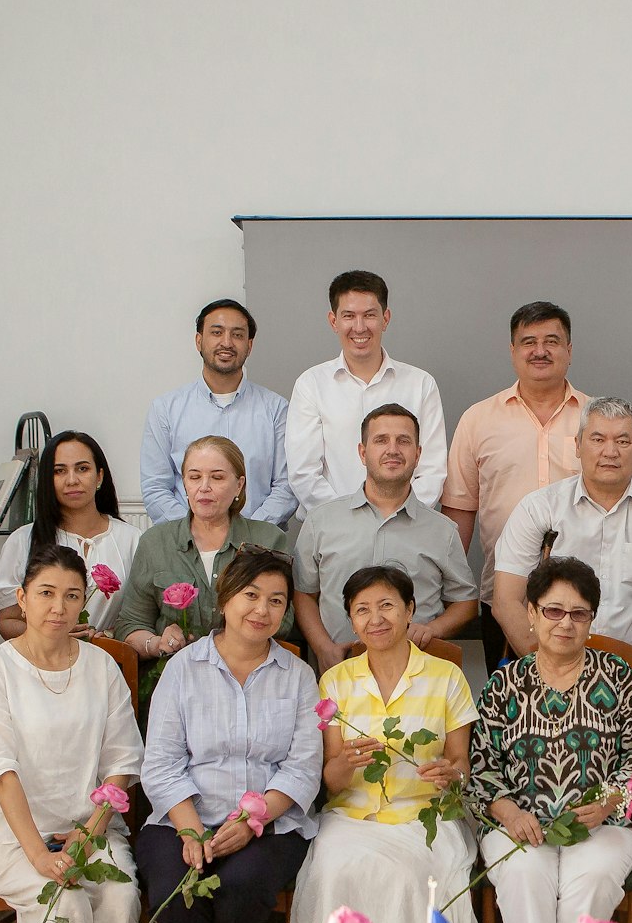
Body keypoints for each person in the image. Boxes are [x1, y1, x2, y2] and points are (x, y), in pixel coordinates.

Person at [469, 557, 632, 923]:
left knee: (590, 878)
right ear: (532, 614)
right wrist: (510, 814)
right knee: (522, 874)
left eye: (578, 613)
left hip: (604, 823)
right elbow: (480, 766)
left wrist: (611, 799)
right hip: (518, 823)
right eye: (553, 611)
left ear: (591, 619)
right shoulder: (504, 684)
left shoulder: (618, 677)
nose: (565, 623)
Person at [134, 547, 321, 923]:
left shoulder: (297, 675)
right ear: (225, 599)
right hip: (183, 817)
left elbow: (303, 767)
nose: (262, 610)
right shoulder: (183, 668)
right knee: (173, 892)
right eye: (251, 595)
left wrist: (251, 821)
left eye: (276, 600)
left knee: (242, 887)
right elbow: (161, 764)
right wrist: (192, 829)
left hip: (271, 824)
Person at [292, 565, 484, 923]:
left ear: (410, 609)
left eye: (386, 606)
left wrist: (451, 775)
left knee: (409, 873)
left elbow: (460, 762)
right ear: (352, 620)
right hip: (352, 815)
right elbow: (331, 780)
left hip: (424, 815)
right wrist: (346, 764)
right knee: (333, 868)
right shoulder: (335, 682)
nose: (375, 619)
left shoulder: (446, 676)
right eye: (362, 610)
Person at [0, 547, 143, 923]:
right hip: (12, 837)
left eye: (72, 595)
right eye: (46, 593)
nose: (58, 607)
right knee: (63, 902)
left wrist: (90, 830)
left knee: (120, 900)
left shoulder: (101, 666)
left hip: (90, 828)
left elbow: (122, 761)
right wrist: (39, 856)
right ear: (22, 598)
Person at [494, 397, 632, 690]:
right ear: (577, 446)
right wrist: (549, 679)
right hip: (549, 686)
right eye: (597, 439)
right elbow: (505, 601)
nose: (610, 452)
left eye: (623, 441)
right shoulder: (540, 508)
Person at [443, 301, 593, 667]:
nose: (540, 351)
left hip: (588, 598)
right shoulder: (478, 419)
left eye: (552, 341)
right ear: (513, 351)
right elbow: (460, 509)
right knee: (513, 713)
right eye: (528, 342)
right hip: (505, 599)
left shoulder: (599, 419)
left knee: (586, 709)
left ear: (569, 351)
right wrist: (451, 594)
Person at [292, 404, 478, 674]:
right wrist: (322, 648)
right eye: (381, 440)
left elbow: (466, 603)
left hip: (418, 678)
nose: (393, 449)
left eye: (403, 441)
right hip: (340, 672)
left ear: (417, 454)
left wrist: (431, 630)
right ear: (363, 453)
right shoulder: (320, 521)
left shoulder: (443, 530)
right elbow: (303, 593)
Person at [286, 270, 449, 516]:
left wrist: (396, 518)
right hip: (334, 531)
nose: (359, 327)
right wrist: (350, 521)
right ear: (333, 321)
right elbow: (304, 473)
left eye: (369, 315)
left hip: (406, 530)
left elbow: (432, 471)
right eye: (349, 316)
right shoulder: (311, 384)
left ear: (385, 318)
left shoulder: (421, 384)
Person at [115, 435, 287, 662]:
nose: (204, 487)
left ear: (239, 485)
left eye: (217, 477)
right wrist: (157, 643)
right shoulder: (155, 542)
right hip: (173, 674)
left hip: (249, 671)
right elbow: (130, 624)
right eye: (194, 477)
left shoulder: (268, 539)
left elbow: (286, 620)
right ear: (185, 483)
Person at [139, 298, 296, 526]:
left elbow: (286, 486)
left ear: (249, 345)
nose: (227, 342)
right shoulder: (166, 409)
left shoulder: (277, 409)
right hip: (185, 549)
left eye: (237, 334)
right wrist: (195, 533)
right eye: (216, 332)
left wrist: (248, 535)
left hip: (257, 552)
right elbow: (156, 487)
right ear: (199, 341)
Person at [0, 430, 141, 641]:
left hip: (110, 660)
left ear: (99, 476)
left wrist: (107, 636)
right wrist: (50, 634)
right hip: (41, 664)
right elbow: (8, 621)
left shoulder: (132, 540)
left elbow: (144, 618)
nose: (72, 480)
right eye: (59, 471)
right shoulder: (22, 541)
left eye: (82, 469)